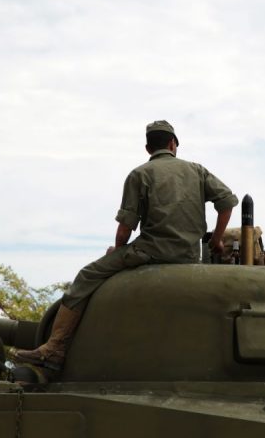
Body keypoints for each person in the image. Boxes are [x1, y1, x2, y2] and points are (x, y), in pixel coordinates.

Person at [13, 120, 238, 374]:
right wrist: (216, 239)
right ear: (173, 144)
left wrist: (118, 250)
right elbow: (227, 202)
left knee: (87, 275)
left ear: (147, 148)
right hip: (188, 254)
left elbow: (126, 228)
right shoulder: (197, 171)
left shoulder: (140, 174)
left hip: (150, 252)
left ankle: (55, 348)